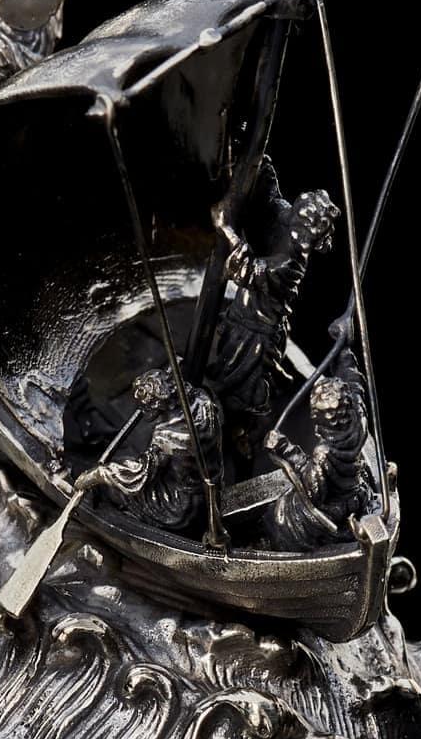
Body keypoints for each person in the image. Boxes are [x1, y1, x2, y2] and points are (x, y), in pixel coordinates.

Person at [207, 168, 340, 420]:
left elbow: (248, 270)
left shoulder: (290, 265)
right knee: (227, 364)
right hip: (243, 315)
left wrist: (225, 229)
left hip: (256, 331)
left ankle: (239, 423)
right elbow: (272, 199)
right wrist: (261, 165)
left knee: (241, 382)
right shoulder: (288, 218)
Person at [73, 370, 223, 534]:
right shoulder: (201, 402)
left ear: (158, 404)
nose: (143, 412)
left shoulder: (168, 437)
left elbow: (139, 475)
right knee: (126, 461)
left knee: (116, 491)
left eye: (146, 407)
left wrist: (100, 474)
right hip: (211, 486)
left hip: (179, 504)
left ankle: (126, 520)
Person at [261, 337, 375, 550]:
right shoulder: (358, 421)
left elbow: (314, 489)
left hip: (336, 510)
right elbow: (354, 383)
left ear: (321, 424)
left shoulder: (325, 452)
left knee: (282, 514)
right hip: (358, 495)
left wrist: (283, 448)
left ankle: (276, 544)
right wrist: (343, 354)